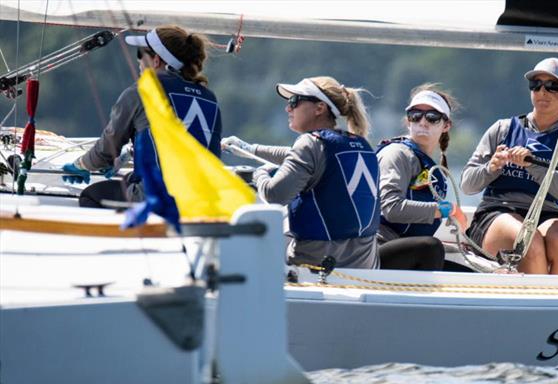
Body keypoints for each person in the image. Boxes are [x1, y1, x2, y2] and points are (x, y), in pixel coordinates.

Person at [222, 77, 379, 269]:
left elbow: (274, 195)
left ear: (319, 108)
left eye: (294, 101)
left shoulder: (311, 144)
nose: (288, 109)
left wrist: (258, 175)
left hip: (317, 265)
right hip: (364, 267)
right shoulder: (361, 144)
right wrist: (249, 148)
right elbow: (293, 155)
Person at [63, 25, 221, 210]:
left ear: (156, 60)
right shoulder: (209, 98)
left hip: (160, 200)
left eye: (141, 54)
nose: (138, 61)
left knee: (92, 195)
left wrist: (80, 165)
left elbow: (105, 152)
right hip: (203, 201)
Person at [461, 57, 558, 275]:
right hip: (497, 212)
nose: (542, 92)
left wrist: (534, 166)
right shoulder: (502, 129)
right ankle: (537, 306)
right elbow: (467, 185)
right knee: (529, 240)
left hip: (546, 214)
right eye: (536, 85)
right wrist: (491, 168)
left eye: (552, 86)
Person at [375, 84, 468, 271]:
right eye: (415, 116)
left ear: (446, 125)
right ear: (408, 121)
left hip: (406, 251)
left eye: (432, 117)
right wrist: (446, 209)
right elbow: (391, 208)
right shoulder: (397, 154)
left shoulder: (430, 167)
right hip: (375, 250)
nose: (423, 122)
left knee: (473, 277)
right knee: (430, 247)